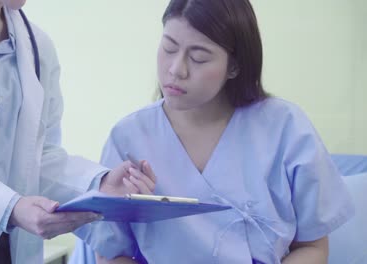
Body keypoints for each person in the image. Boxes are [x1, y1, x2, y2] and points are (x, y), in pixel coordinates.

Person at [71, 0, 355, 263]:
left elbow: (313, 247)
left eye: (199, 58)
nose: (176, 69)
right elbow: (111, 254)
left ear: (234, 67)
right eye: (169, 48)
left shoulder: (285, 128)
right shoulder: (128, 137)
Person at [0, 0, 155, 263]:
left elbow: (38, 158)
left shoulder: (36, 46)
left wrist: (97, 185)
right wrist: (10, 208)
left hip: (10, 248)